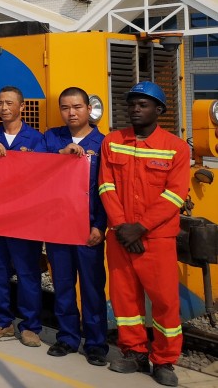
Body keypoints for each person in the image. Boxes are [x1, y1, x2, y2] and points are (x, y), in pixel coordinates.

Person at [99, 82, 189, 386]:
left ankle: (164, 360)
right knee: (125, 299)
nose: (136, 109)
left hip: (156, 239)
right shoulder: (112, 141)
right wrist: (123, 226)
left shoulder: (176, 147)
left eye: (143, 105)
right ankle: (134, 352)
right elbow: (106, 186)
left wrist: (140, 227)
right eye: (132, 104)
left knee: (164, 301)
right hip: (120, 235)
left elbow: (175, 195)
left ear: (159, 111)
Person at [0, 86, 46, 347]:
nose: (4, 108)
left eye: (9, 103)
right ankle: (1, 321)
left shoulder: (37, 140)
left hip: (25, 219)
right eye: (0, 103)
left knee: (27, 272)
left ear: (22, 106)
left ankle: (30, 326)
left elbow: (45, 177)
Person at [43, 87, 108, 367]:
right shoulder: (51, 137)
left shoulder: (103, 143)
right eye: (66, 108)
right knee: (64, 284)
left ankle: (96, 343)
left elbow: (107, 190)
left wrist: (100, 226)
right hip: (59, 226)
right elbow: (35, 169)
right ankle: (68, 337)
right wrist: (61, 153)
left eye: (77, 107)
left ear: (88, 109)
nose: (71, 113)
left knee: (92, 287)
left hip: (88, 228)